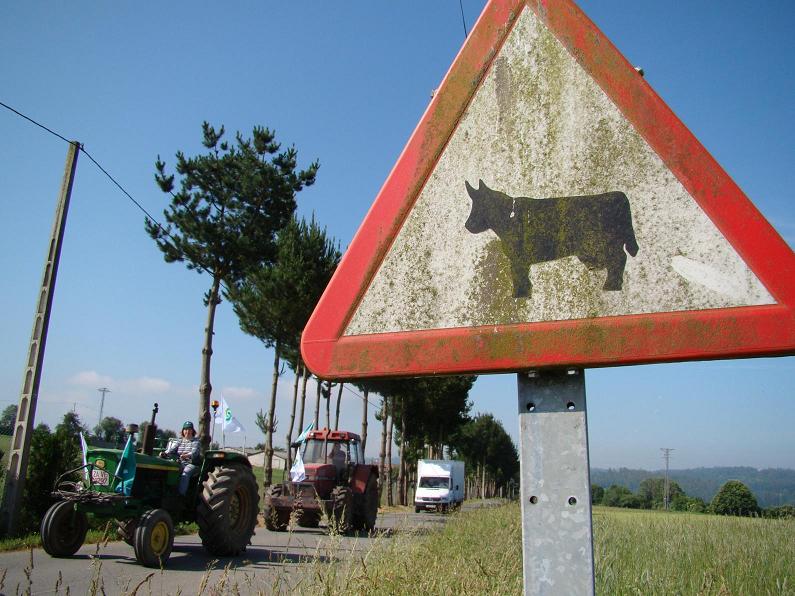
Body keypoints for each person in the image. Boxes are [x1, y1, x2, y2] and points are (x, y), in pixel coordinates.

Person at [161, 421, 201, 495]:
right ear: (183, 431)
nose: (187, 431)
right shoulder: (180, 441)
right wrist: (164, 453)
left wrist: (186, 455)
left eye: (189, 429)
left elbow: (194, 453)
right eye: (185, 429)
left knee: (185, 473)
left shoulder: (196, 441)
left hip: (191, 464)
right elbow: (171, 449)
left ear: (192, 431)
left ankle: (180, 495)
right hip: (180, 462)